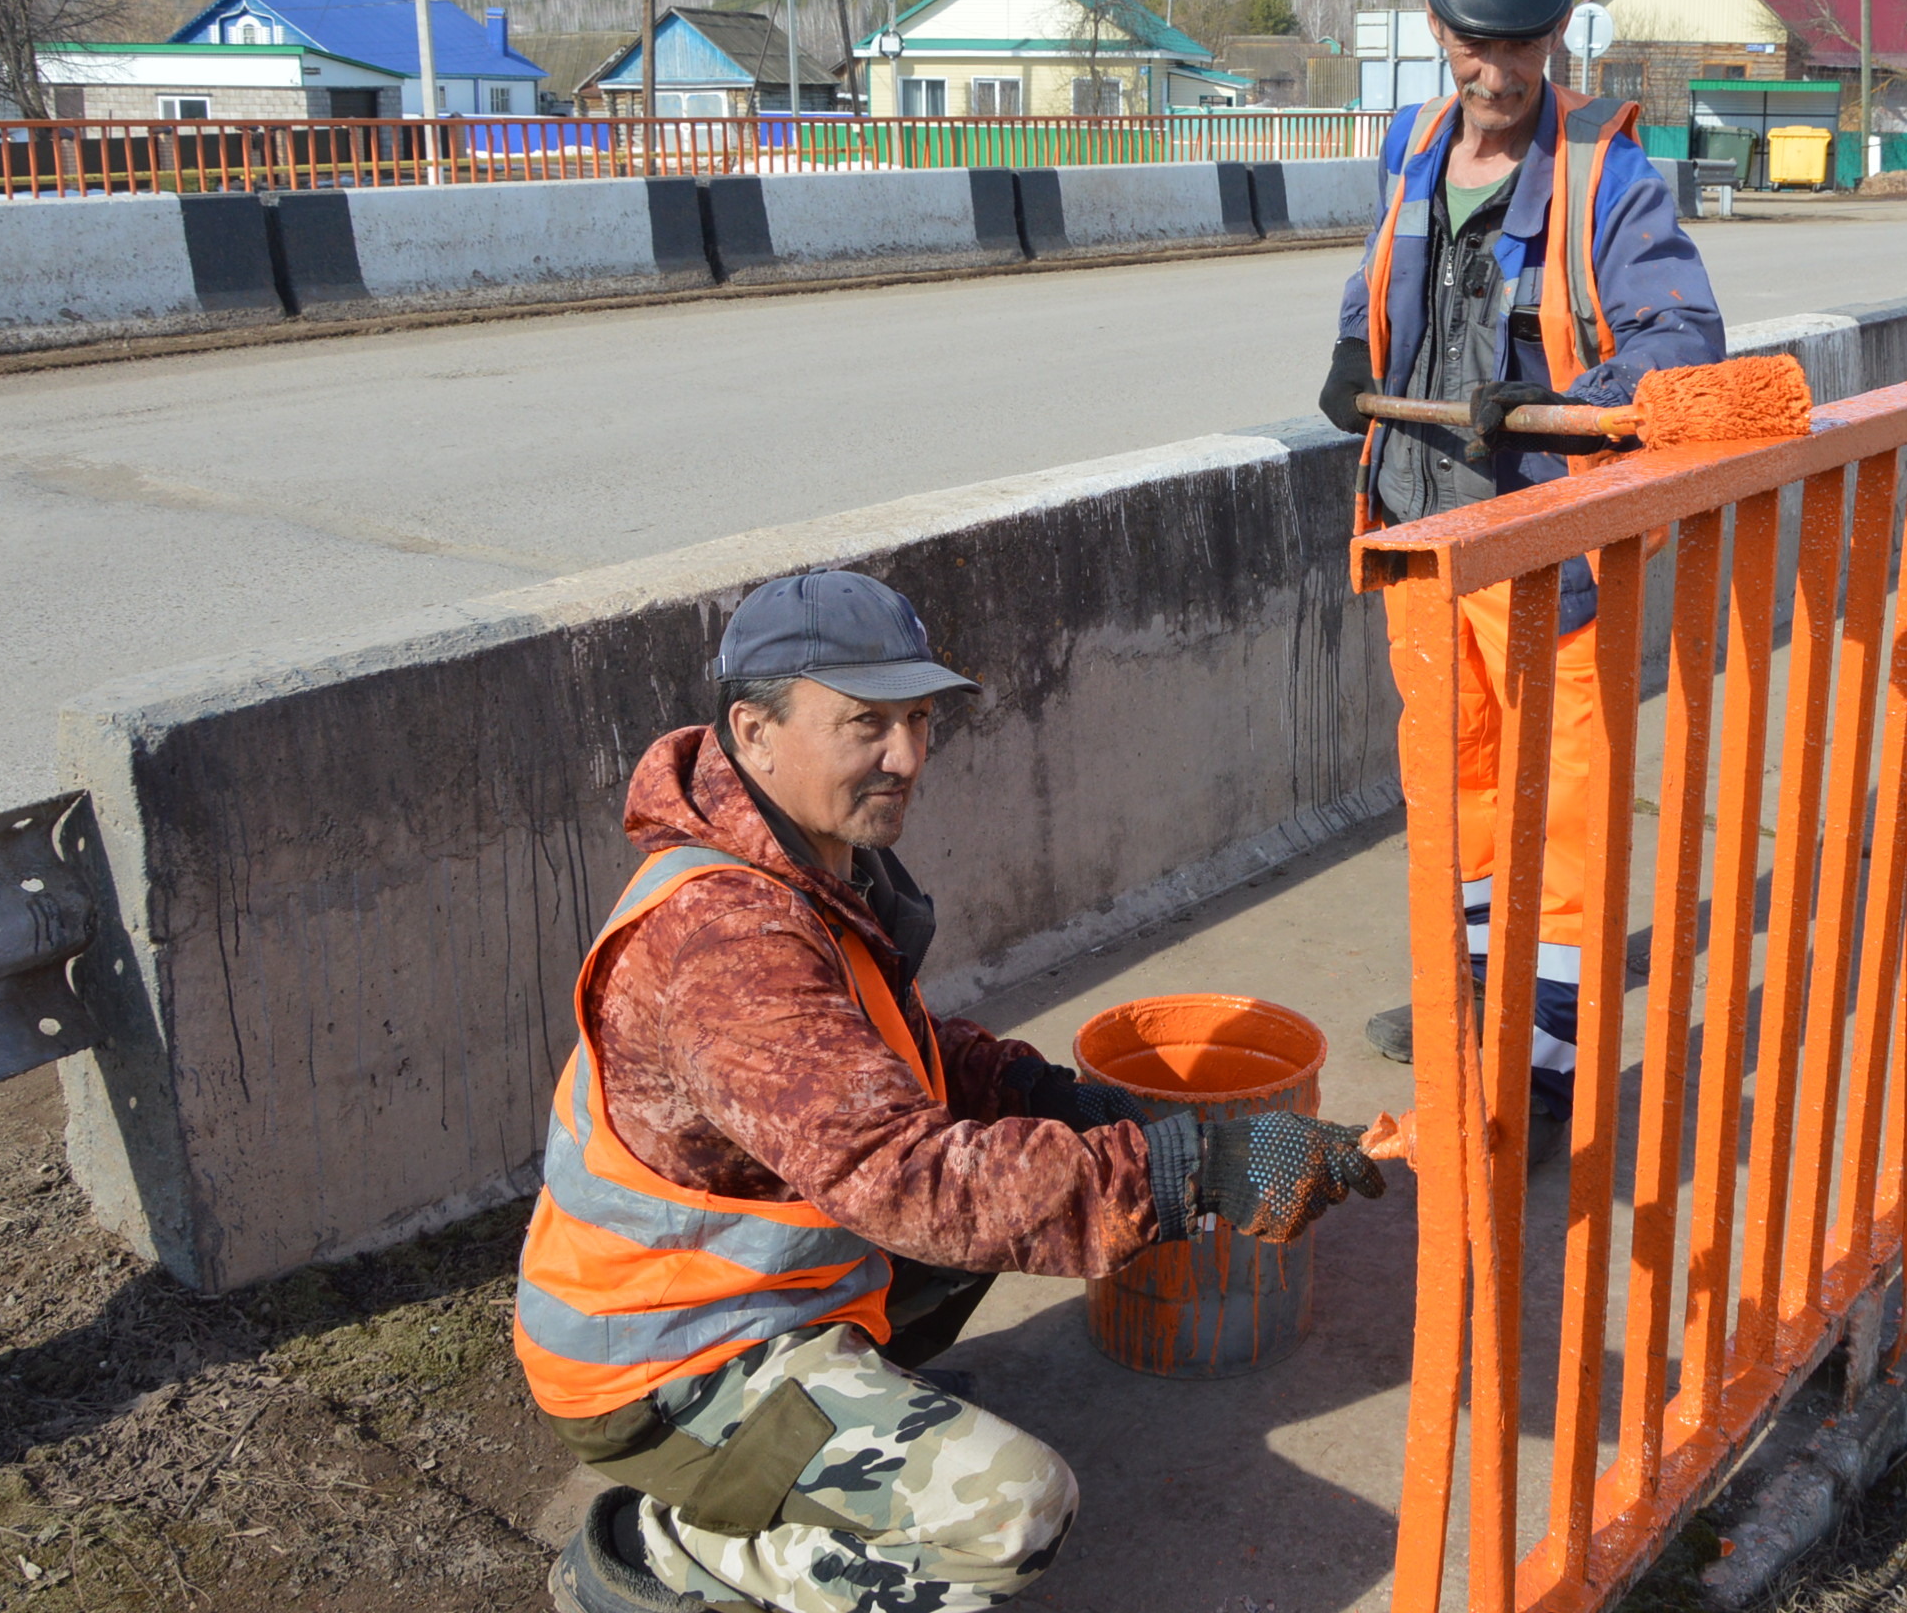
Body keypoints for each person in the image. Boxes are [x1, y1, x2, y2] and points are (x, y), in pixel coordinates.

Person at [520, 569, 1385, 1613]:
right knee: (1015, 1508)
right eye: (866, 724)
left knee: (1009, 1170)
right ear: (753, 729)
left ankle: (836, 1421)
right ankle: (682, 1543)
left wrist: (1074, 1105)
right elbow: (907, 1177)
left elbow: (905, 1059)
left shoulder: (798, 857)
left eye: (920, 720)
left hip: (756, 1295)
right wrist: (1195, 1167)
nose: (908, 757)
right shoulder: (725, 943)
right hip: (661, 1362)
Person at [1320, 0, 1725, 1148]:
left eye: (1518, 49)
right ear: (1439, 32)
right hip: (1419, 539)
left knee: (1556, 815)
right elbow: (1382, 267)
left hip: (1540, 551)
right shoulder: (1414, 143)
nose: (1492, 75)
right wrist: (1349, 345)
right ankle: (1476, 999)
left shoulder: (1611, 176)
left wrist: (1554, 408)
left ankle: (1542, 1067)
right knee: (1461, 793)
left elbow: (1683, 347)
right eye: (1471, 47)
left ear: (1554, 38)